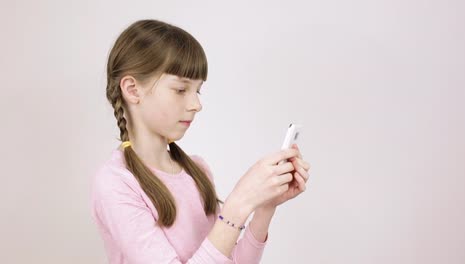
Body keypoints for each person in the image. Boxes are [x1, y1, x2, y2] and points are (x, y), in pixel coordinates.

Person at [90, 19, 311, 264]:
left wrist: (264, 208)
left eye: (198, 91)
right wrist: (239, 203)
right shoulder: (116, 183)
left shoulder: (197, 171)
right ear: (132, 90)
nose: (197, 104)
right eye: (181, 90)